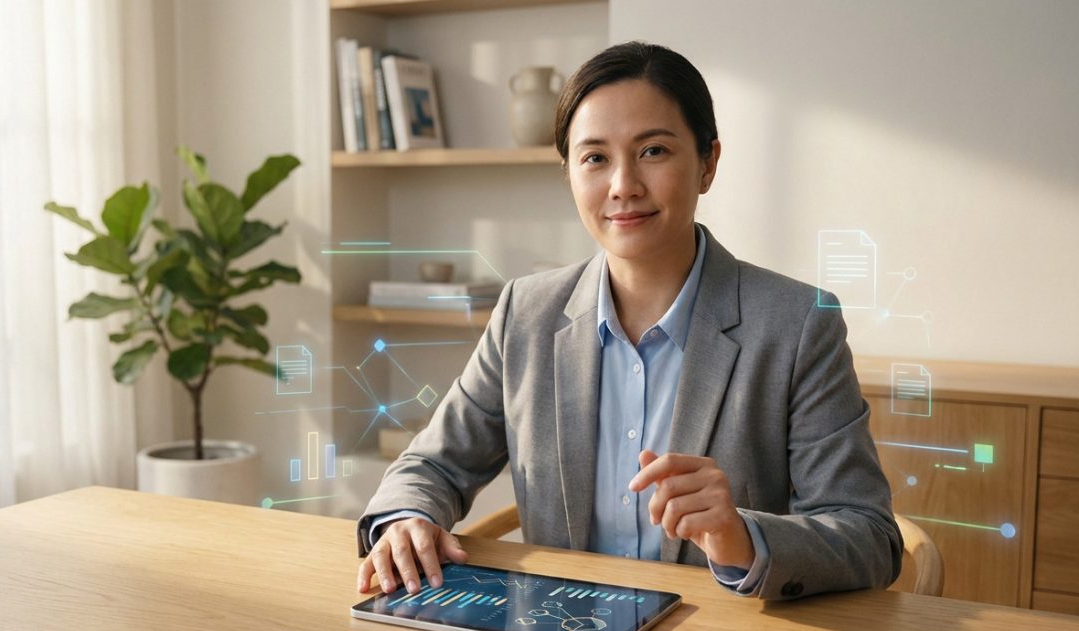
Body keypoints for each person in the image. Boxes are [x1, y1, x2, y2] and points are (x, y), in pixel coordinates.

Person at [355, 41, 902, 601]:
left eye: (654, 151)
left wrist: (745, 537)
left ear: (708, 163)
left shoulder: (798, 325)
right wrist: (406, 518)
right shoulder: (526, 312)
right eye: (594, 157)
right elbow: (434, 464)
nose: (623, 185)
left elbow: (868, 535)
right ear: (568, 171)